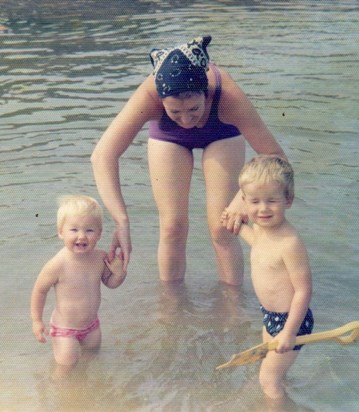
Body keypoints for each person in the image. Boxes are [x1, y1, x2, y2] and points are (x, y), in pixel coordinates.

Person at [91, 35, 286, 285]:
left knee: (222, 227)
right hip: (168, 136)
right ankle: (172, 309)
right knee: (173, 227)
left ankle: (232, 308)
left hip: (220, 130)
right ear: (161, 102)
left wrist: (243, 198)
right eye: (176, 112)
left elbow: (276, 157)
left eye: (194, 109)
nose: (186, 119)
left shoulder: (227, 96)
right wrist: (122, 222)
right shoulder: (149, 97)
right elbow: (102, 155)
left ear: (205, 93)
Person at [222, 155, 313, 400]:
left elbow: (303, 290)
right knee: (272, 369)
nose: (263, 209)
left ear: (288, 200)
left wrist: (290, 332)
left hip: (292, 320)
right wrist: (240, 229)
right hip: (270, 316)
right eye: (254, 201)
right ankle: (284, 395)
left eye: (272, 201)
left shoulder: (290, 243)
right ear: (243, 201)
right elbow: (260, 248)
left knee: (267, 380)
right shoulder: (263, 228)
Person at [31, 195, 126, 378]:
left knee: (91, 360)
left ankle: (85, 396)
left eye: (89, 230)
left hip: (92, 326)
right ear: (61, 232)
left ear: (99, 233)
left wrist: (119, 273)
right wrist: (36, 320)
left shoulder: (100, 258)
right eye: (73, 229)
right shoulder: (58, 264)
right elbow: (39, 290)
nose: (81, 236)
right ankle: (61, 397)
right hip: (64, 329)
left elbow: (111, 284)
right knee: (66, 367)